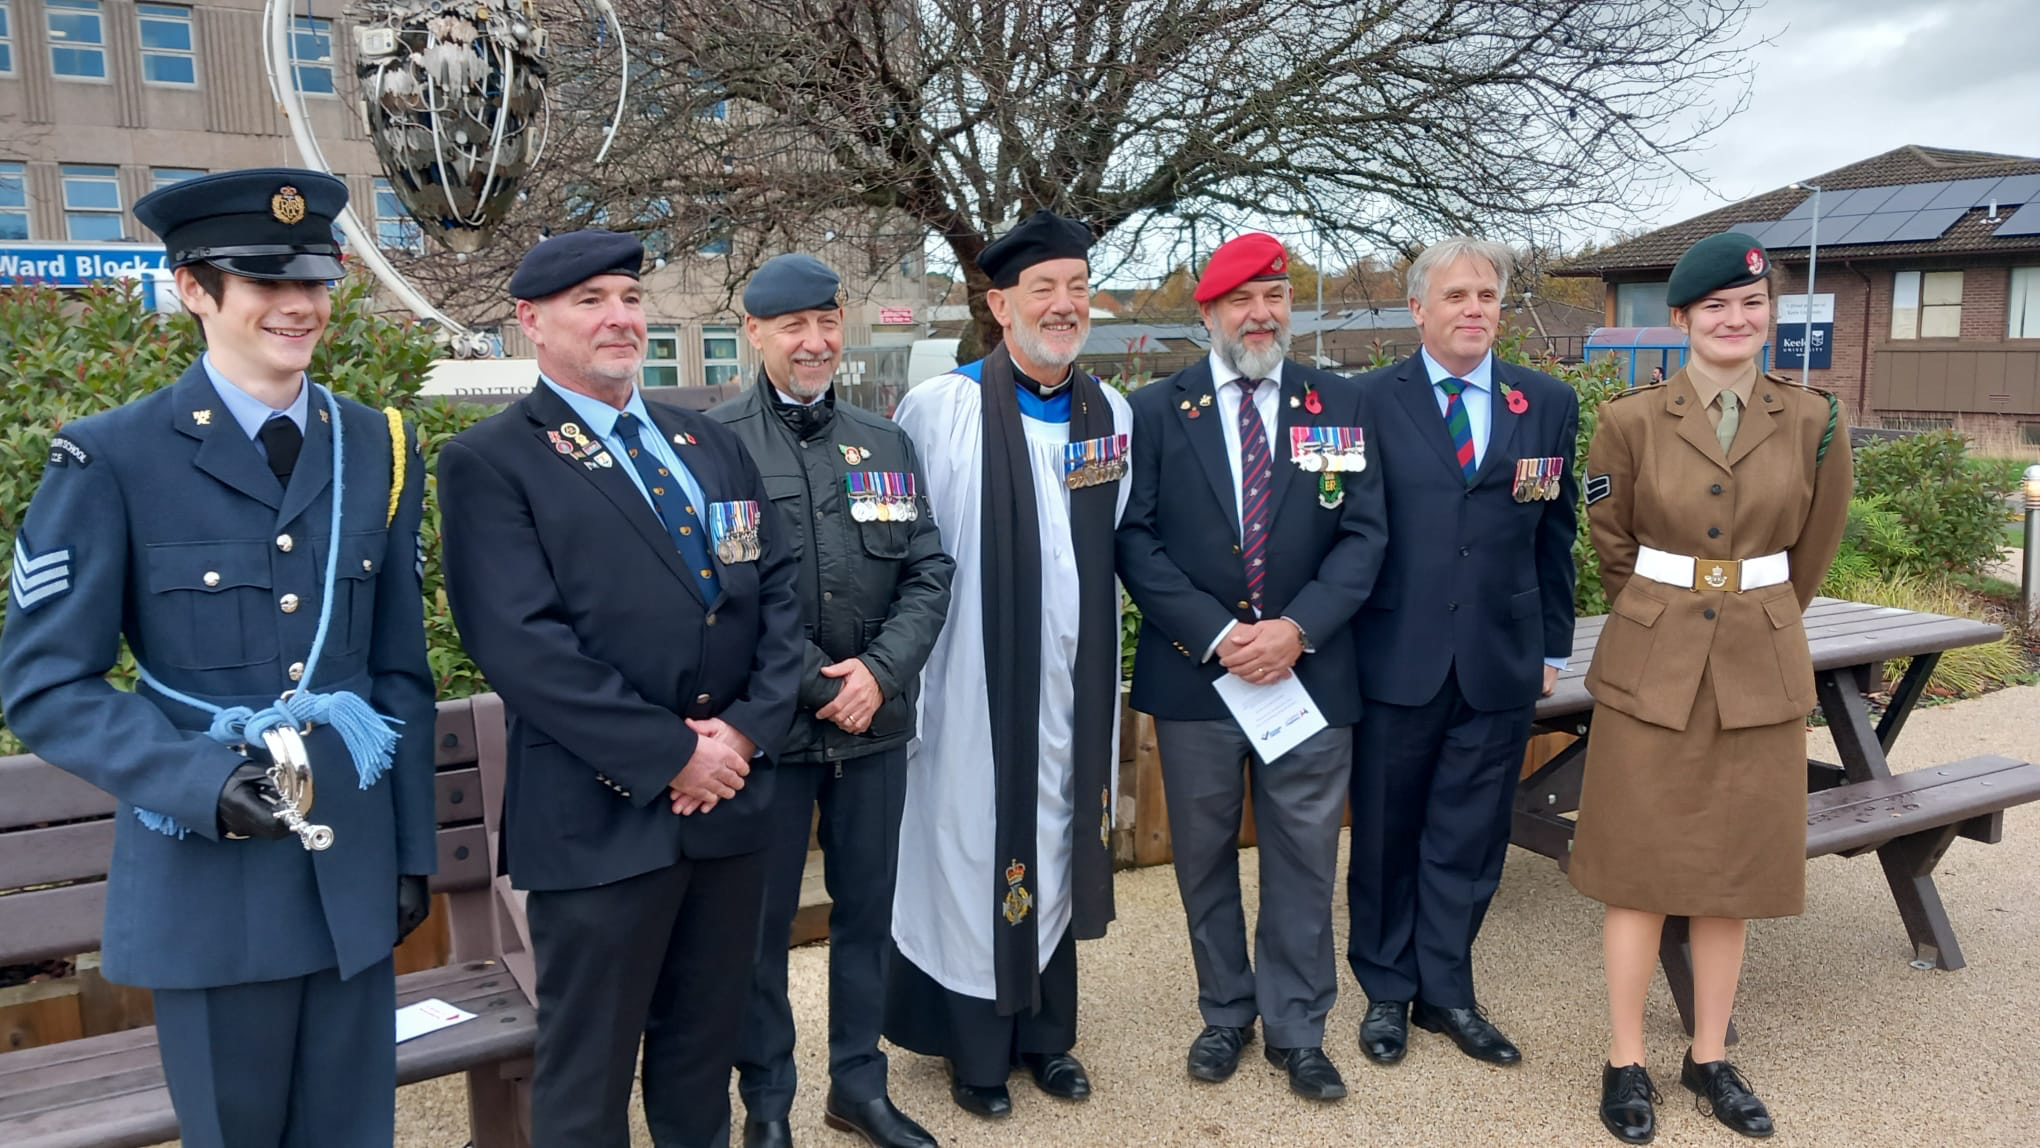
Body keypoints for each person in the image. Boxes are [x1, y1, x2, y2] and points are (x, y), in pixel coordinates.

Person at [0, 168, 436, 1147]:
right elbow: (44, 681)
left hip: (350, 879)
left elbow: (400, 671)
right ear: (194, 288)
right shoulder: (113, 456)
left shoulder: (376, 445)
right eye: (265, 283)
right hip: (209, 879)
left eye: (316, 282)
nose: (300, 306)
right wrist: (200, 778)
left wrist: (407, 851)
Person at [436, 230, 803, 1148]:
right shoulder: (494, 460)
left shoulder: (704, 442)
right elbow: (521, 644)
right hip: (599, 820)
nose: (620, 318)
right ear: (531, 321)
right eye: (591, 300)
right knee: (587, 1072)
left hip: (730, 807)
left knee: (699, 1054)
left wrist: (742, 740)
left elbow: (778, 598)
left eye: (631, 299)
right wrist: (675, 753)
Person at [1570, 232, 1851, 1144]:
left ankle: (1709, 1055)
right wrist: (1668, 608)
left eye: (1752, 306)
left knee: (1731, 878)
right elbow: (1610, 538)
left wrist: (1748, 616)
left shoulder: (1814, 420)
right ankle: (1624, 1062)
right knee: (1637, 872)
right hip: (1652, 667)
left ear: (1770, 316)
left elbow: (1812, 554)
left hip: (1756, 669)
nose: (1737, 320)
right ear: (1682, 319)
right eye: (1716, 308)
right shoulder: (1631, 419)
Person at [1115, 232, 1387, 1101]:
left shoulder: (1336, 403)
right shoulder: (1158, 410)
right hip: (1200, 678)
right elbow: (1135, 539)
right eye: (1242, 300)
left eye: (1274, 296)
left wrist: (1297, 630)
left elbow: (1365, 535)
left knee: (1306, 855)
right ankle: (1226, 1011)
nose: (1262, 314)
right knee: (1201, 855)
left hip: (1308, 675)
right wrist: (1219, 635)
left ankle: (1298, 1025)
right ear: (1208, 315)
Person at [884, 209, 1131, 1119]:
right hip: (969, 688)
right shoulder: (940, 409)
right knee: (970, 849)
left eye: (1076, 288)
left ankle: (1047, 1039)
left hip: (1074, 685)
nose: (1063, 306)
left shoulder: (1113, 415)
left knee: (1061, 839)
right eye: (1042, 290)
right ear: (999, 304)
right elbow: (904, 547)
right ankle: (975, 1052)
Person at [709, 254, 955, 1148]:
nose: (814, 343)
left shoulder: (883, 439)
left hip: (874, 732)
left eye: (827, 322)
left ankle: (858, 1088)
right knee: (760, 930)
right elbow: (729, 595)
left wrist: (880, 675)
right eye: (792, 327)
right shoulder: (715, 442)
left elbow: (929, 569)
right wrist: (822, 683)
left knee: (866, 918)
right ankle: (766, 1105)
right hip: (773, 734)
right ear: (756, 334)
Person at [1344, 237, 1580, 1071]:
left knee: (1470, 836)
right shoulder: (1365, 401)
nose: (1475, 308)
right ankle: (1383, 990)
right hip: (1394, 655)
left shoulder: (1544, 402)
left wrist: (1555, 640)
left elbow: (1556, 532)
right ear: (1418, 310)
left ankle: (1446, 990)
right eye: (1457, 296)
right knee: (1385, 831)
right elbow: (1341, 535)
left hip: (1500, 658)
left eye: (1487, 295)